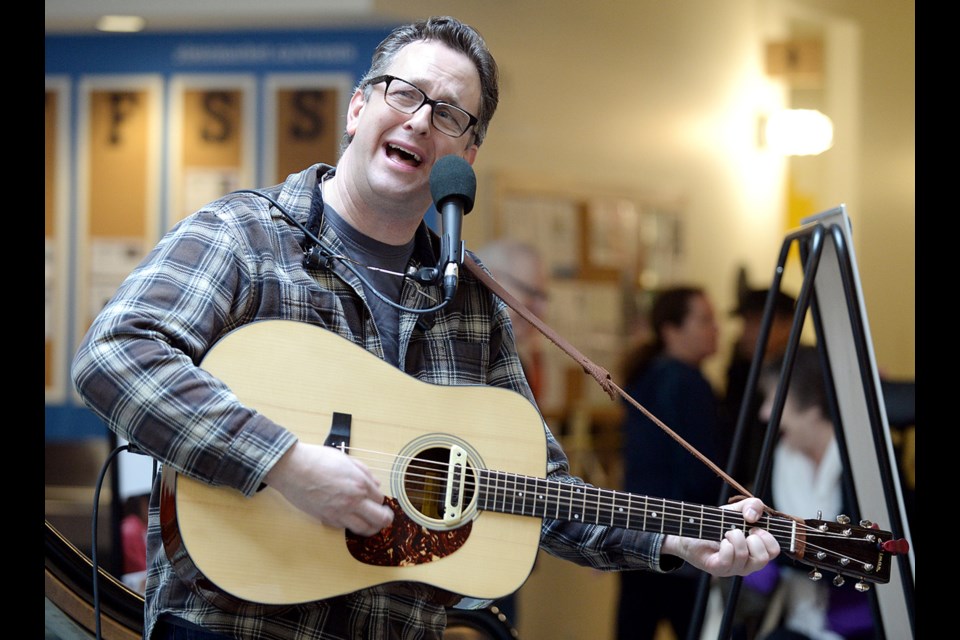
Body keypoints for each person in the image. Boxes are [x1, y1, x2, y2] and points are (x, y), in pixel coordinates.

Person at [71, 16, 778, 640]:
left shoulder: (470, 300)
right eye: (401, 93)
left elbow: (538, 487)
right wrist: (287, 464)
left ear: (464, 157)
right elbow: (113, 354)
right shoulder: (245, 235)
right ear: (358, 108)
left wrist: (681, 539)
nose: (418, 120)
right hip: (231, 623)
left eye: (448, 114)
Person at [735, 345, 875, 640]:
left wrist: (777, 553)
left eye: (774, 400)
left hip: (860, 624)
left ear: (811, 408)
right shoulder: (779, 459)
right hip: (796, 618)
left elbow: (873, 555)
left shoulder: (867, 468)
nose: (764, 414)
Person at [615, 285, 731, 640]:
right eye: (705, 320)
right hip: (682, 535)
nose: (717, 329)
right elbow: (699, 471)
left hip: (637, 535)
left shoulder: (647, 377)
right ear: (671, 330)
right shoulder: (686, 382)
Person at [472, 239, 550, 627]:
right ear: (495, 282)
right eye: (531, 293)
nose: (540, 309)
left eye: (543, 295)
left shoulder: (523, 360)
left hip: (509, 541)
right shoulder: (471, 354)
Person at [723, 288, 797, 485]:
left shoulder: (802, 375)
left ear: (786, 324)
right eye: (745, 323)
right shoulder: (741, 371)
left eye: (755, 322)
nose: (745, 332)